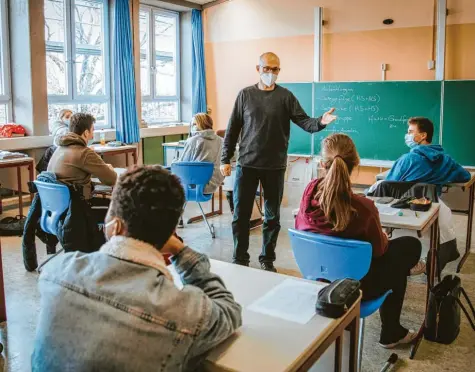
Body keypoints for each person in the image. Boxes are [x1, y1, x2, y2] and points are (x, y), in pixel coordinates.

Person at [31, 165, 242, 371]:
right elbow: (229, 311)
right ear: (169, 234)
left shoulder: (56, 271)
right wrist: (180, 251)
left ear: (114, 226)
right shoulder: (183, 311)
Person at [295, 133, 422, 348]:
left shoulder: (308, 194)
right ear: (355, 164)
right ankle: (391, 332)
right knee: (408, 248)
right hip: (356, 286)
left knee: (397, 257)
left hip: (318, 279)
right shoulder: (363, 208)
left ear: (322, 163)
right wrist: (382, 237)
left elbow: (301, 227)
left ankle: (394, 325)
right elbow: (380, 251)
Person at [221, 52, 337, 272]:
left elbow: (305, 122)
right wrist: (224, 158)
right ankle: (240, 258)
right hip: (247, 165)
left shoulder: (286, 97)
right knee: (240, 215)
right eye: (267, 69)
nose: (271, 73)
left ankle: (267, 259)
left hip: (275, 166)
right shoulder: (245, 95)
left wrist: (321, 121)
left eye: (275, 69)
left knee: (272, 217)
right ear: (258, 68)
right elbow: (232, 128)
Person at [385, 117, 470, 271]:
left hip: (405, 211)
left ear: (423, 135)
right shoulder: (445, 160)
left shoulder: (406, 160)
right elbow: (465, 176)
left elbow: (387, 186)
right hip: (431, 207)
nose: (407, 135)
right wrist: (442, 177)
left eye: (410, 131)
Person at [47, 113, 117, 200]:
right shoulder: (84, 153)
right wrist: (108, 169)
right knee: (118, 207)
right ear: (86, 133)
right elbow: (111, 180)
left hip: (57, 203)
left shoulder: (60, 148)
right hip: (77, 205)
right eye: (92, 130)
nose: (93, 134)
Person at [178, 113, 224, 194]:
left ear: (202, 124)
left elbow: (182, 166)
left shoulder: (193, 141)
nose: (192, 127)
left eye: (194, 124)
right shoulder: (221, 140)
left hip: (194, 185)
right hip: (214, 185)